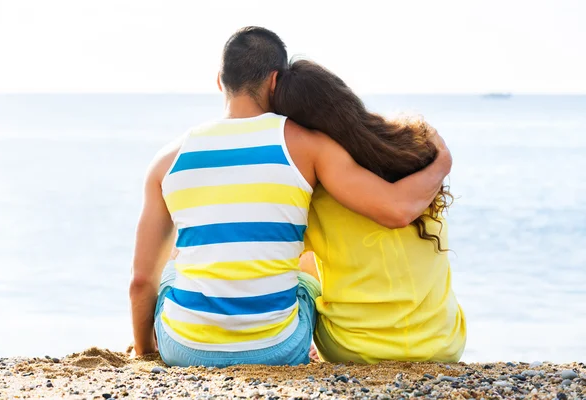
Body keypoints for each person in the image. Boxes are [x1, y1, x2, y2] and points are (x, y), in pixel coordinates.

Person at [129, 26, 452, 367]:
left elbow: (140, 282)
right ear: (275, 81)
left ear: (220, 81)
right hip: (279, 348)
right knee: (302, 271)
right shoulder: (307, 145)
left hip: (185, 351)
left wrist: (145, 353)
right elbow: (395, 208)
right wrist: (440, 164)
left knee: (171, 267)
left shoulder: (166, 162)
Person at [272, 59, 466, 364]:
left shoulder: (313, 187)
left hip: (353, 349)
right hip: (441, 343)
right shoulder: (412, 149)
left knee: (302, 261)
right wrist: (443, 161)